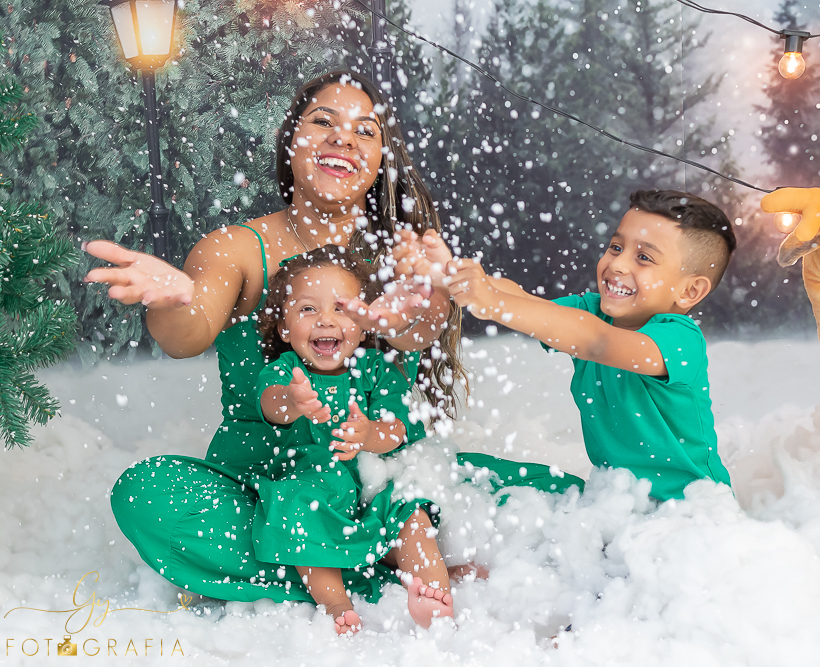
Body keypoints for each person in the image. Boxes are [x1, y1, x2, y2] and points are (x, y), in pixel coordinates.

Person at [83, 70, 466, 605]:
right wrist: (170, 302)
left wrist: (436, 297)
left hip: (379, 484)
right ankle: (365, 570)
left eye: (365, 131)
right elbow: (187, 335)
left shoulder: (398, 258)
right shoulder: (235, 249)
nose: (343, 138)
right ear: (291, 142)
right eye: (323, 121)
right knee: (146, 495)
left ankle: (337, 557)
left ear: (381, 162)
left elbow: (416, 332)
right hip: (266, 488)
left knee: (547, 495)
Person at [407, 190, 735, 502]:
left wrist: (489, 301)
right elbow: (523, 300)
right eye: (616, 248)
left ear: (690, 292)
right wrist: (453, 276)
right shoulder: (591, 312)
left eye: (644, 257)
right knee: (470, 470)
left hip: (687, 513)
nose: (618, 265)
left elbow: (596, 342)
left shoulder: (680, 339)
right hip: (613, 502)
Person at [253, 247, 452, 632]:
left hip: (375, 487)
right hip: (317, 489)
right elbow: (271, 403)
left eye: (341, 309)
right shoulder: (286, 370)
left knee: (413, 516)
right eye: (308, 310)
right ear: (283, 328)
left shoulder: (376, 369)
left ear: (362, 324)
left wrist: (369, 434)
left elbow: (398, 429)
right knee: (296, 509)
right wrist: (293, 400)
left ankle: (433, 593)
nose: (326, 320)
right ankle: (336, 602)